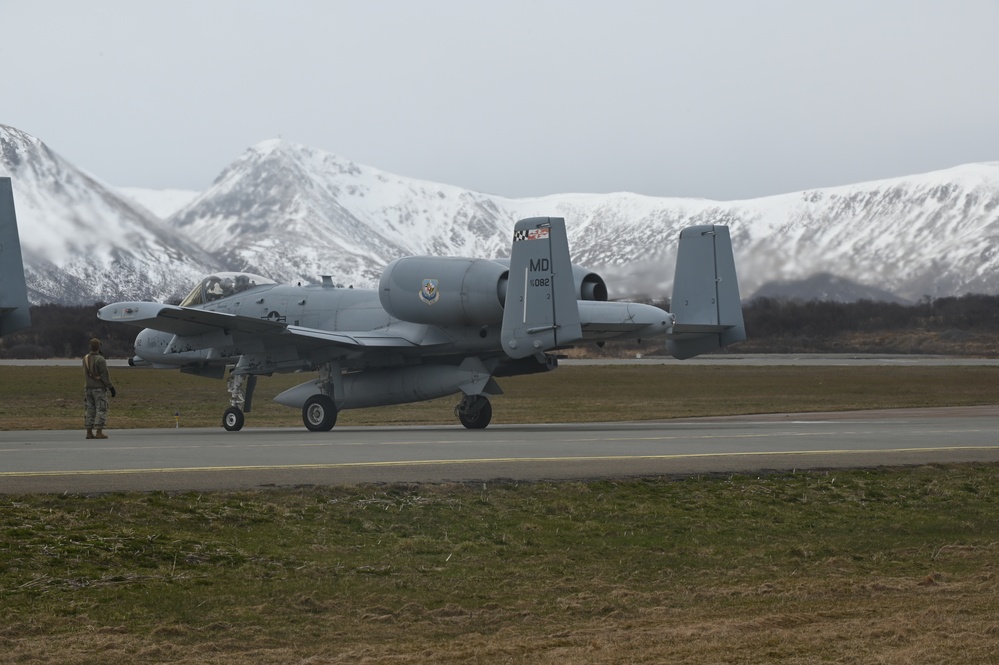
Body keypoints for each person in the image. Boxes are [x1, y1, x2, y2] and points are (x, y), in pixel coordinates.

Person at [83, 337, 116, 439]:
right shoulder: (100, 359)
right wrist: (111, 387)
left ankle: (89, 432)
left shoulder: (86, 358)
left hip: (88, 388)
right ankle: (99, 431)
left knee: (90, 410)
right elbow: (104, 376)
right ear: (98, 347)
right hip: (99, 388)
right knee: (101, 409)